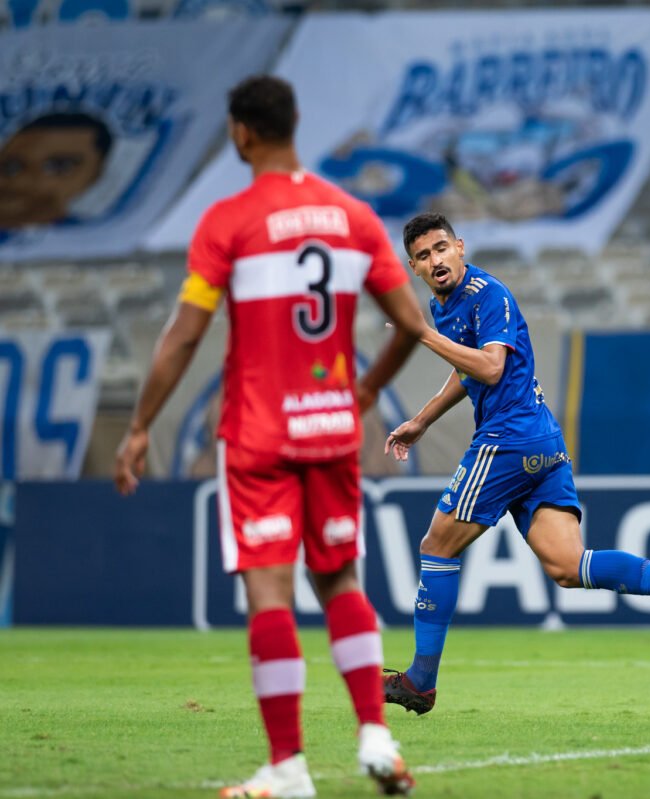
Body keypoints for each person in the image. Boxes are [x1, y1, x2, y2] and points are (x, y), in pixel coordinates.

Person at [114, 75, 428, 797]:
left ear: (240, 133)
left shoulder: (229, 221)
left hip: (259, 433)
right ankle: (375, 736)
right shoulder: (352, 216)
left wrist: (139, 427)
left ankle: (287, 767)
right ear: (295, 124)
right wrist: (372, 385)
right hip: (332, 427)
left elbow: (185, 335)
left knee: (271, 596)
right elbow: (412, 324)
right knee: (341, 578)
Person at [380, 212, 650, 715]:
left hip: (509, 438)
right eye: (423, 256)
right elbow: (469, 374)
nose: (435, 260)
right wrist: (422, 420)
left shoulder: (488, 294)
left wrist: (417, 332)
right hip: (541, 442)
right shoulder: (449, 306)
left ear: (460, 247)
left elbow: (490, 365)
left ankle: (421, 680)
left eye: (441, 248)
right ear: (413, 267)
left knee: (436, 546)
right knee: (568, 567)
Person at [0, 112, 112, 229]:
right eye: (10, 167)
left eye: (60, 166)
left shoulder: (96, 232)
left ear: (97, 171)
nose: (24, 181)